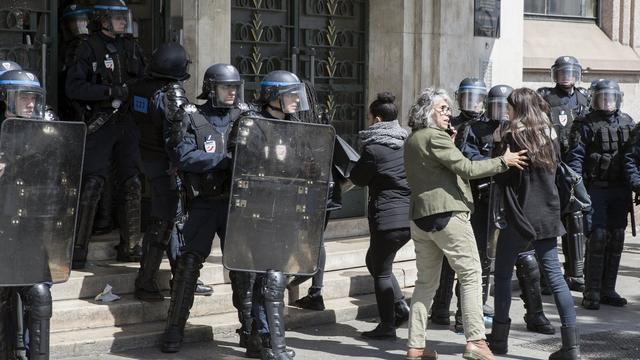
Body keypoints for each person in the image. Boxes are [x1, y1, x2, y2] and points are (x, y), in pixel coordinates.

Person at [404, 87, 527, 360]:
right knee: (471, 274)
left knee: (425, 283)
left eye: (449, 108)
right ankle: (476, 342)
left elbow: (440, 168)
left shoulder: (414, 138)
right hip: (448, 215)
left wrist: (451, 141)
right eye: (442, 109)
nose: (449, 113)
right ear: (428, 113)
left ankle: (415, 346)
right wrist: (503, 161)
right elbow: (468, 169)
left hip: (421, 218)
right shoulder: (436, 138)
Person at [160, 63, 250, 353]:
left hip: (236, 205)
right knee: (188, 267)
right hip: (203, 204)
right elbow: (183, 155)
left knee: (242, 269)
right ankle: (174, 329)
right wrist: (225, 161)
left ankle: (250, 331)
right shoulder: (191, 117)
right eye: (227, 87)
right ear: (211, 89)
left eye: (235, 87)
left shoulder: (246, 116)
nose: (232, 92)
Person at [488, 88, 580, 359]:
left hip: (519, 216)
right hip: (548, 214)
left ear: (519, 108)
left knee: (503, 275)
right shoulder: (550, 136)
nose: (507, 111)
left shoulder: (512, 137)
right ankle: (571, 346)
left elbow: (503, 176)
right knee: (556, 277)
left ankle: (499, 339)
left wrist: (496, 145)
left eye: (510, 107)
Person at [65, 0, 145, 269]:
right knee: (93, 182)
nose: (123, 22)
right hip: (100, 120)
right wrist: (109, 93)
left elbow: (144, 81)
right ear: (103, 20)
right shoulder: (88, 47)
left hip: (128, 122)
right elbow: (73, 88)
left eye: (124, 17)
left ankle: (131, 247)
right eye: (117, 17)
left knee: (132, 182)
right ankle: (78, 251)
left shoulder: (132, 46)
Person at [0, 69, 58, 359]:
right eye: (23, 97)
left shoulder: (43, 133)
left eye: (33, 97)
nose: (30, 103)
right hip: (1, 230)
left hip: (30, 230)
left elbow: (61, 175)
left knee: (39, 295)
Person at [349, 92, 410, 339]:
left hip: (387, 219)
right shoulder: (406, 142)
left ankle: (387, 325)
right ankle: (399, 307)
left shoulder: (374, 149)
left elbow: (357, 178)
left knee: (382, 270)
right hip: (407, 217)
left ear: (376, 119)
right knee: (374, 262)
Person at [567, 79, 633, 310]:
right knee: (598, 237)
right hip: (595, 188)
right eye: (602, 97)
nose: (607, 101)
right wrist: (576, 187)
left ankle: (608, 289)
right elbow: (575, 158)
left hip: (620, 189)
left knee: (616, 237)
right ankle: (591, 291)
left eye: (611, 97)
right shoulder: (585, 124)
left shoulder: (627, 122)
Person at [538, 56, 590, 293]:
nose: (566, 76)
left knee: (575, 217)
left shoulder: (584, 98)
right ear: (554, 74)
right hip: (550, 163)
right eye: (562, 72)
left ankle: (575, 272)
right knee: (549, 218)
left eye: (570, 72)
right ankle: (547, 275)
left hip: (574, 165)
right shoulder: (545, 97)